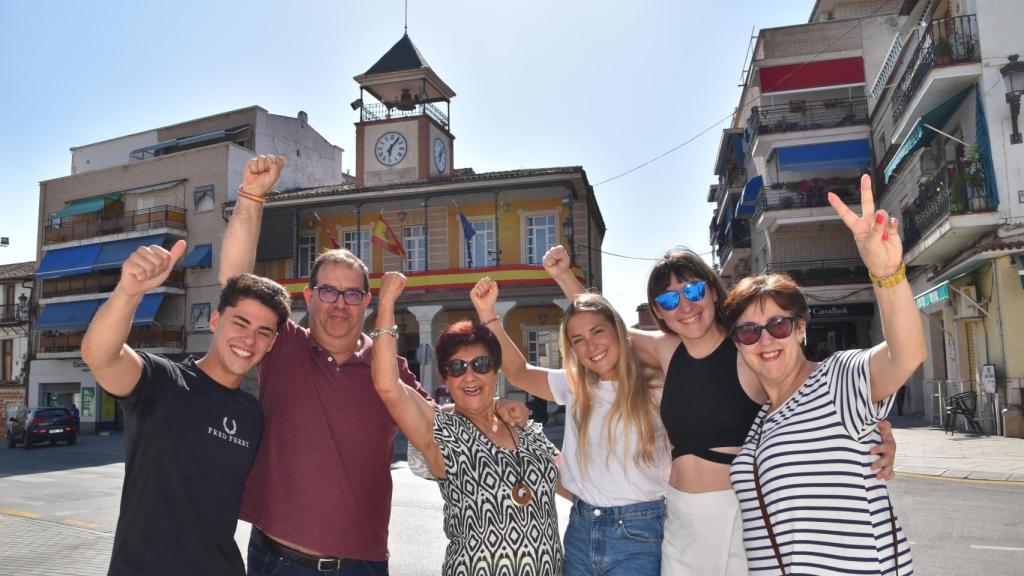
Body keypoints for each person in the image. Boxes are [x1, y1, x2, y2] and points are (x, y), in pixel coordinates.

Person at [220, 155, 522, 575]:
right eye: (327, 291)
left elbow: (433, 420)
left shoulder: (389, 369)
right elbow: (236, 286)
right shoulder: (283, 345)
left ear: (366, 302)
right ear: (308, 298)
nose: (339, 304)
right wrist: (252, 196)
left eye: (351, 294)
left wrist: (496, 408)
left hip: (362, 565)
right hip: (278, 560)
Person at [542, 243, 897, 576]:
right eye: (668, 299)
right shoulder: (667, 350)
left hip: (742, 511)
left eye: (694, 291)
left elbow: (804, 383)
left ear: (713, 290)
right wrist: (562, 276)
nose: (685, 305)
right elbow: (605, 327)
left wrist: (873, 424)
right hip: (680, 514)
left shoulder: (748, 347)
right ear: (659, 311)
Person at [725, 175, 921, 575]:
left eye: (778, 325)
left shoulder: (835, 381)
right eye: (749, 331)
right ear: (738, 344)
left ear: (801, 329)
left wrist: (887, 274)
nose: (766, 340)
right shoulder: (762, 419)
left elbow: (905, 356)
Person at [81, 237, 291, 576]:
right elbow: (100, 355)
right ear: (214, 320)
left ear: (272, 344)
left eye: (263, 332)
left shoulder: (252, 415)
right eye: (240, 323)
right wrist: (129, 291)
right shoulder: (163, 381)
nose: (249, 341)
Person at [471, 277, 670, 576]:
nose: (590, 346)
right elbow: (518, 372)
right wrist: (488, 314)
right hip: (581, 528)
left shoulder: (658, 385)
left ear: (618, 331)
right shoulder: (576, 384)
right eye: (578, 340)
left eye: (597, 331)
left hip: (641, 533)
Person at [372, 272, 562, 575]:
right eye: (458, 367)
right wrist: (386, 304)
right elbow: (387, 386)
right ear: (446, 378)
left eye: (482, 365)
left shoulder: (524, 427)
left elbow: (575, 484)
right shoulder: (442, 430)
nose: (470, 376)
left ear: (495, 372)